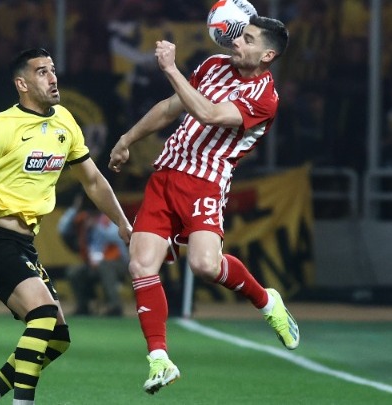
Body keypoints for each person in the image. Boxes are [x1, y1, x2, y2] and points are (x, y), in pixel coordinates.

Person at [0, 48, 132, 405]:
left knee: (57, 338)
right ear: (22, 84)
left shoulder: (65, 121)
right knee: (42, 314)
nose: (53, 78)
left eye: (53, 70)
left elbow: (93, 181)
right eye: (42, 72)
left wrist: (123, 223)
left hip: (23, 247)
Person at [108, 15, 299, 395]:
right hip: (166, 173)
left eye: (248, 39)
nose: (236, 41)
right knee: (140, 264)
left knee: (205, 265)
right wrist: (127, 139)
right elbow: (171, 107)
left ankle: (266, 301)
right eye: (240, 35)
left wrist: (170, 69)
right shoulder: (213, 65)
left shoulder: (265, 98)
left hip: (206, 182)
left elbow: (209, 113)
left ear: (268, 55)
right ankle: (159, 359)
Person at [58, 193, 129, 317]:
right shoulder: (84, 221)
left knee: (105, 267)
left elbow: (116, 236)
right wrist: (75, 208)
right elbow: (62, 229)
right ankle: (84, 306)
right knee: (74, 272)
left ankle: (115, 306)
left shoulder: (108, 218)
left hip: (118, 262)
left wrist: (97, 226)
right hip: (95, 264)